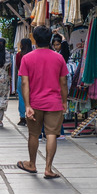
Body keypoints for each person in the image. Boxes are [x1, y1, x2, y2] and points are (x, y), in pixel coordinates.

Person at [17, 26, 68, 179]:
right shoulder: (59, 58)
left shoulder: (27, 58)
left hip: (34, 103)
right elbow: (63, 82)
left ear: (35, 39)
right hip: (54, 102)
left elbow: (24, 84)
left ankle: (32, 164)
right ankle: (48, 168)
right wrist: (64, 101)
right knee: (52, 134)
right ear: (51, 40)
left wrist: (26, 105)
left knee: (34, 134)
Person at [15, 38, 33, 126]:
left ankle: (22, 117)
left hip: (21, 76)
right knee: (32, 96)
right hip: (32, 77)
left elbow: (18, 66)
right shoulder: (33, 54)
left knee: (22, 97)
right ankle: (32, 114)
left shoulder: (19, 55)